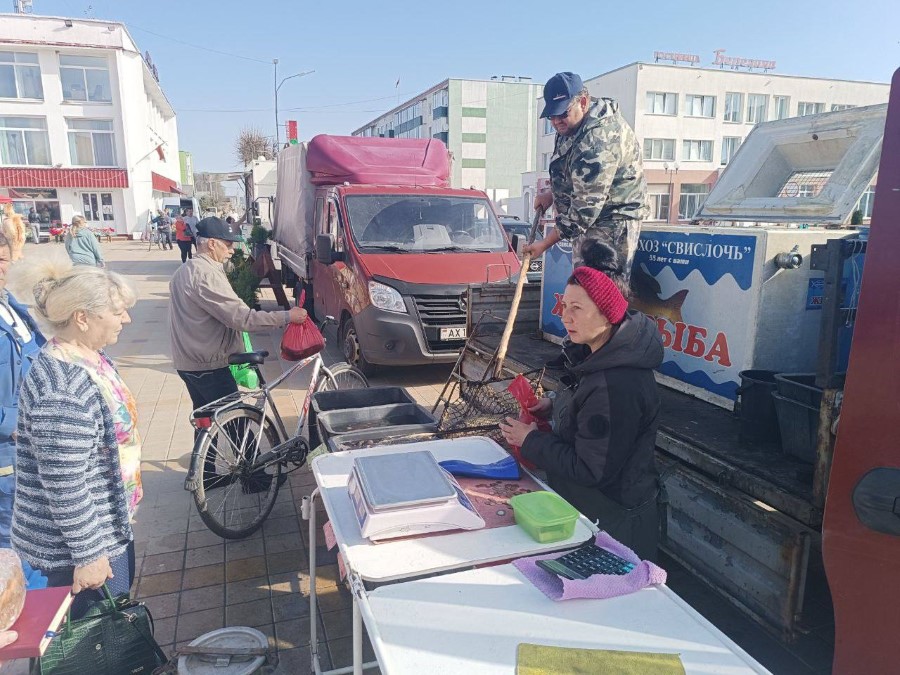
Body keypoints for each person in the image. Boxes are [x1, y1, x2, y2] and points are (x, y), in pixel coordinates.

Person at [499, 241, 664, 560]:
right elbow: (590, 410)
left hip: (616, 523)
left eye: (577, 308)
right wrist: (555, 406)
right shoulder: (599, 355)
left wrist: (530, 440)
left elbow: (591, 469)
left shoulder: (618, 384)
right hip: (592, 511)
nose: (564, 316)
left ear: (606, 314)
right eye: (564, 306)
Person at [8, 254, 139, 618]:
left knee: (113, 618)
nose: (127, 319)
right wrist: (89, 555)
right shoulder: (63, 389)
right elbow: (65, 483)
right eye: (118, 312)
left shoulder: (90, 357)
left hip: (107, 526)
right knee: (98, 633)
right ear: (82, 318)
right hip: (84, 547)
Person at [169, 217, 306, 482]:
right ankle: (254, 479)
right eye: (228, 244)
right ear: (211, 244)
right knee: (237, 420)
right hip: (207, 363)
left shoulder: (184, 271)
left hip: (188, 360)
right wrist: (287, 316)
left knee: (207, 419)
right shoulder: (206, 274)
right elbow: (242, 318)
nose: (232, 250)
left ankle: (205, 475)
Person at [524, 72, 649, 278]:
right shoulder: (572, 126)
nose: (556, 121)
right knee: (582, 288)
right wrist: (552, 195)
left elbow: (584, 210)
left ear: (582, 102)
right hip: (589, 222)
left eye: (562, 113)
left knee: (602, 291)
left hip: (612, 223)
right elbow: (575, 177)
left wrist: (544, 244)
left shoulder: (598, 140)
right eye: (551, 116)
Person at [0, 232, 44, 550]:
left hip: (30, 443)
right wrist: (12, 422)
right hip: (7, 452)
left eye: (2, 259)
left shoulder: (11, 304)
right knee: (14, 541)